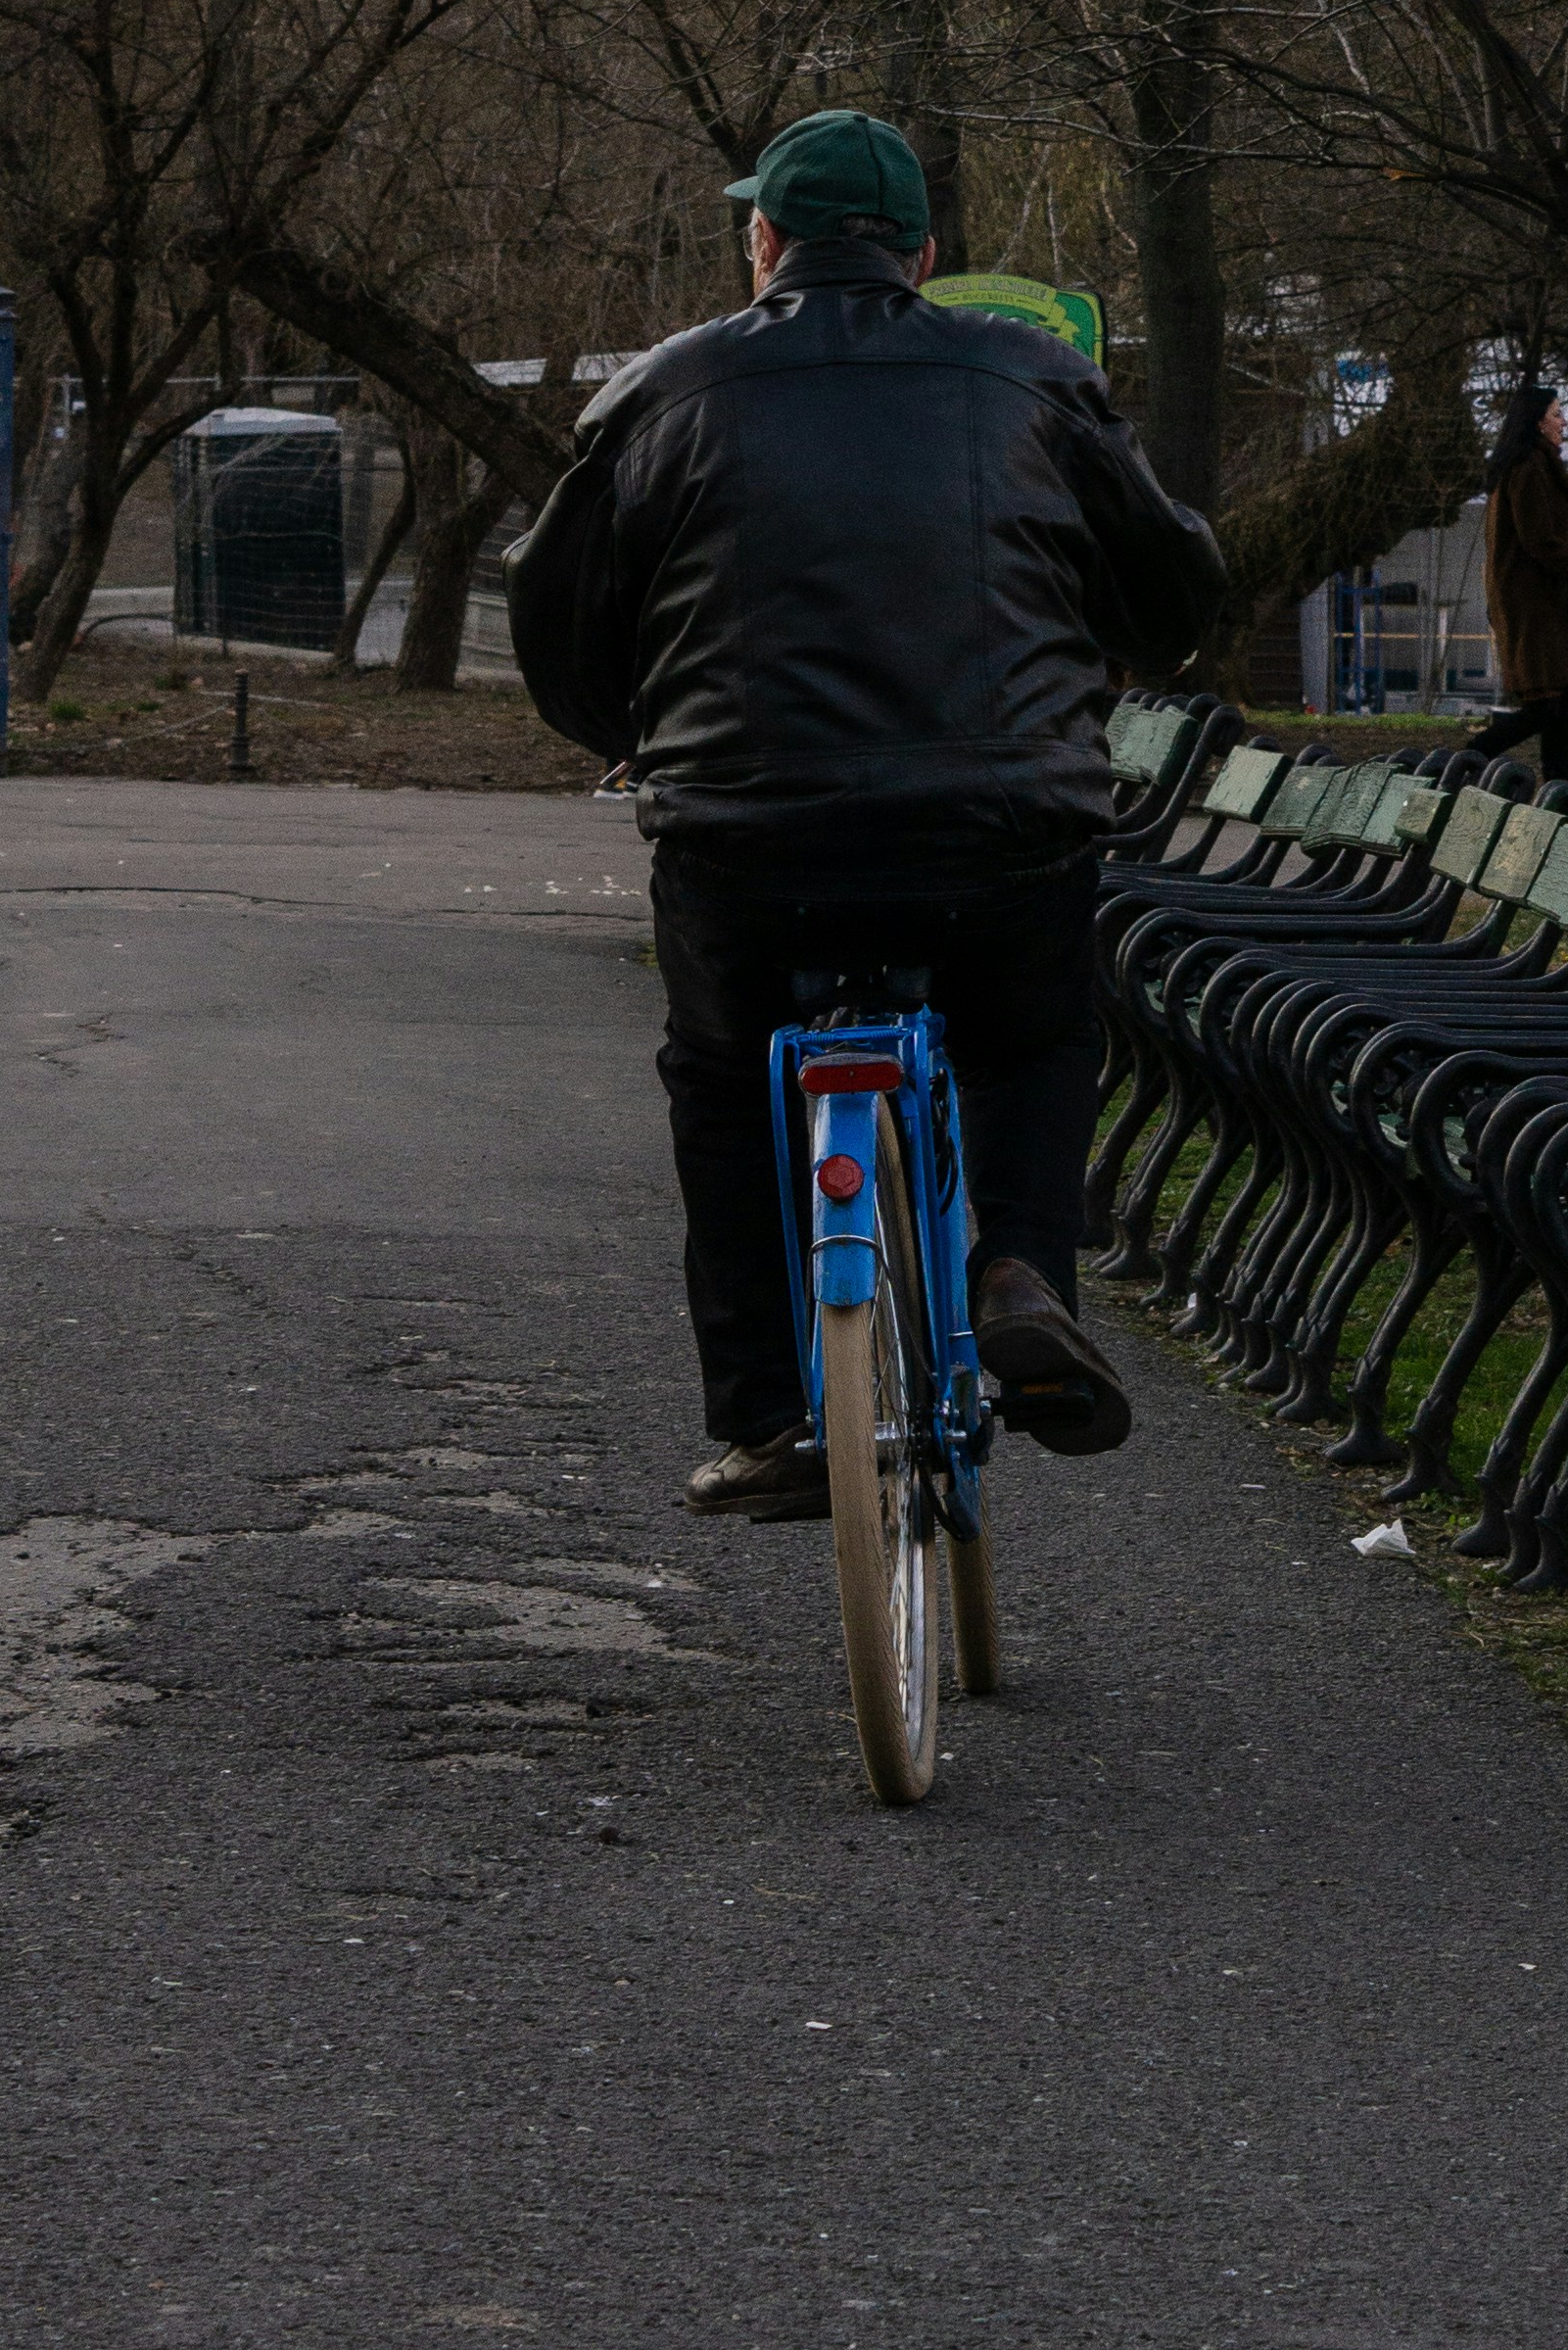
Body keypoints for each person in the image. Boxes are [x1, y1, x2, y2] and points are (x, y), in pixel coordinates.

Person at [504, 107, 1223, 1525]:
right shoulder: (1036, 379)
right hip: (1000, 829)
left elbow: (559, 621)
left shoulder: (661, 395)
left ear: (762, 242)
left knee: (720, 1078)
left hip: (746, 840)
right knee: (1032, 1033)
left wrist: (638, 740)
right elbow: (1176, 591)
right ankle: (1018, 1270)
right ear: (924, 254)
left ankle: (771, 1414)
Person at [1477, 374, 1568, 785]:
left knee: (1563, 699)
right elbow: (1540, 542)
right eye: (1557, 414)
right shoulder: (1529, 468)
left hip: (1540, 600)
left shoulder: (1532, 465)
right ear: (1537, 422)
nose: (1564, 422)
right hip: (1534, 604)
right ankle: (1468, 757)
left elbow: (1542, 535)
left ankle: (1557, 790)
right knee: (1546, 704)